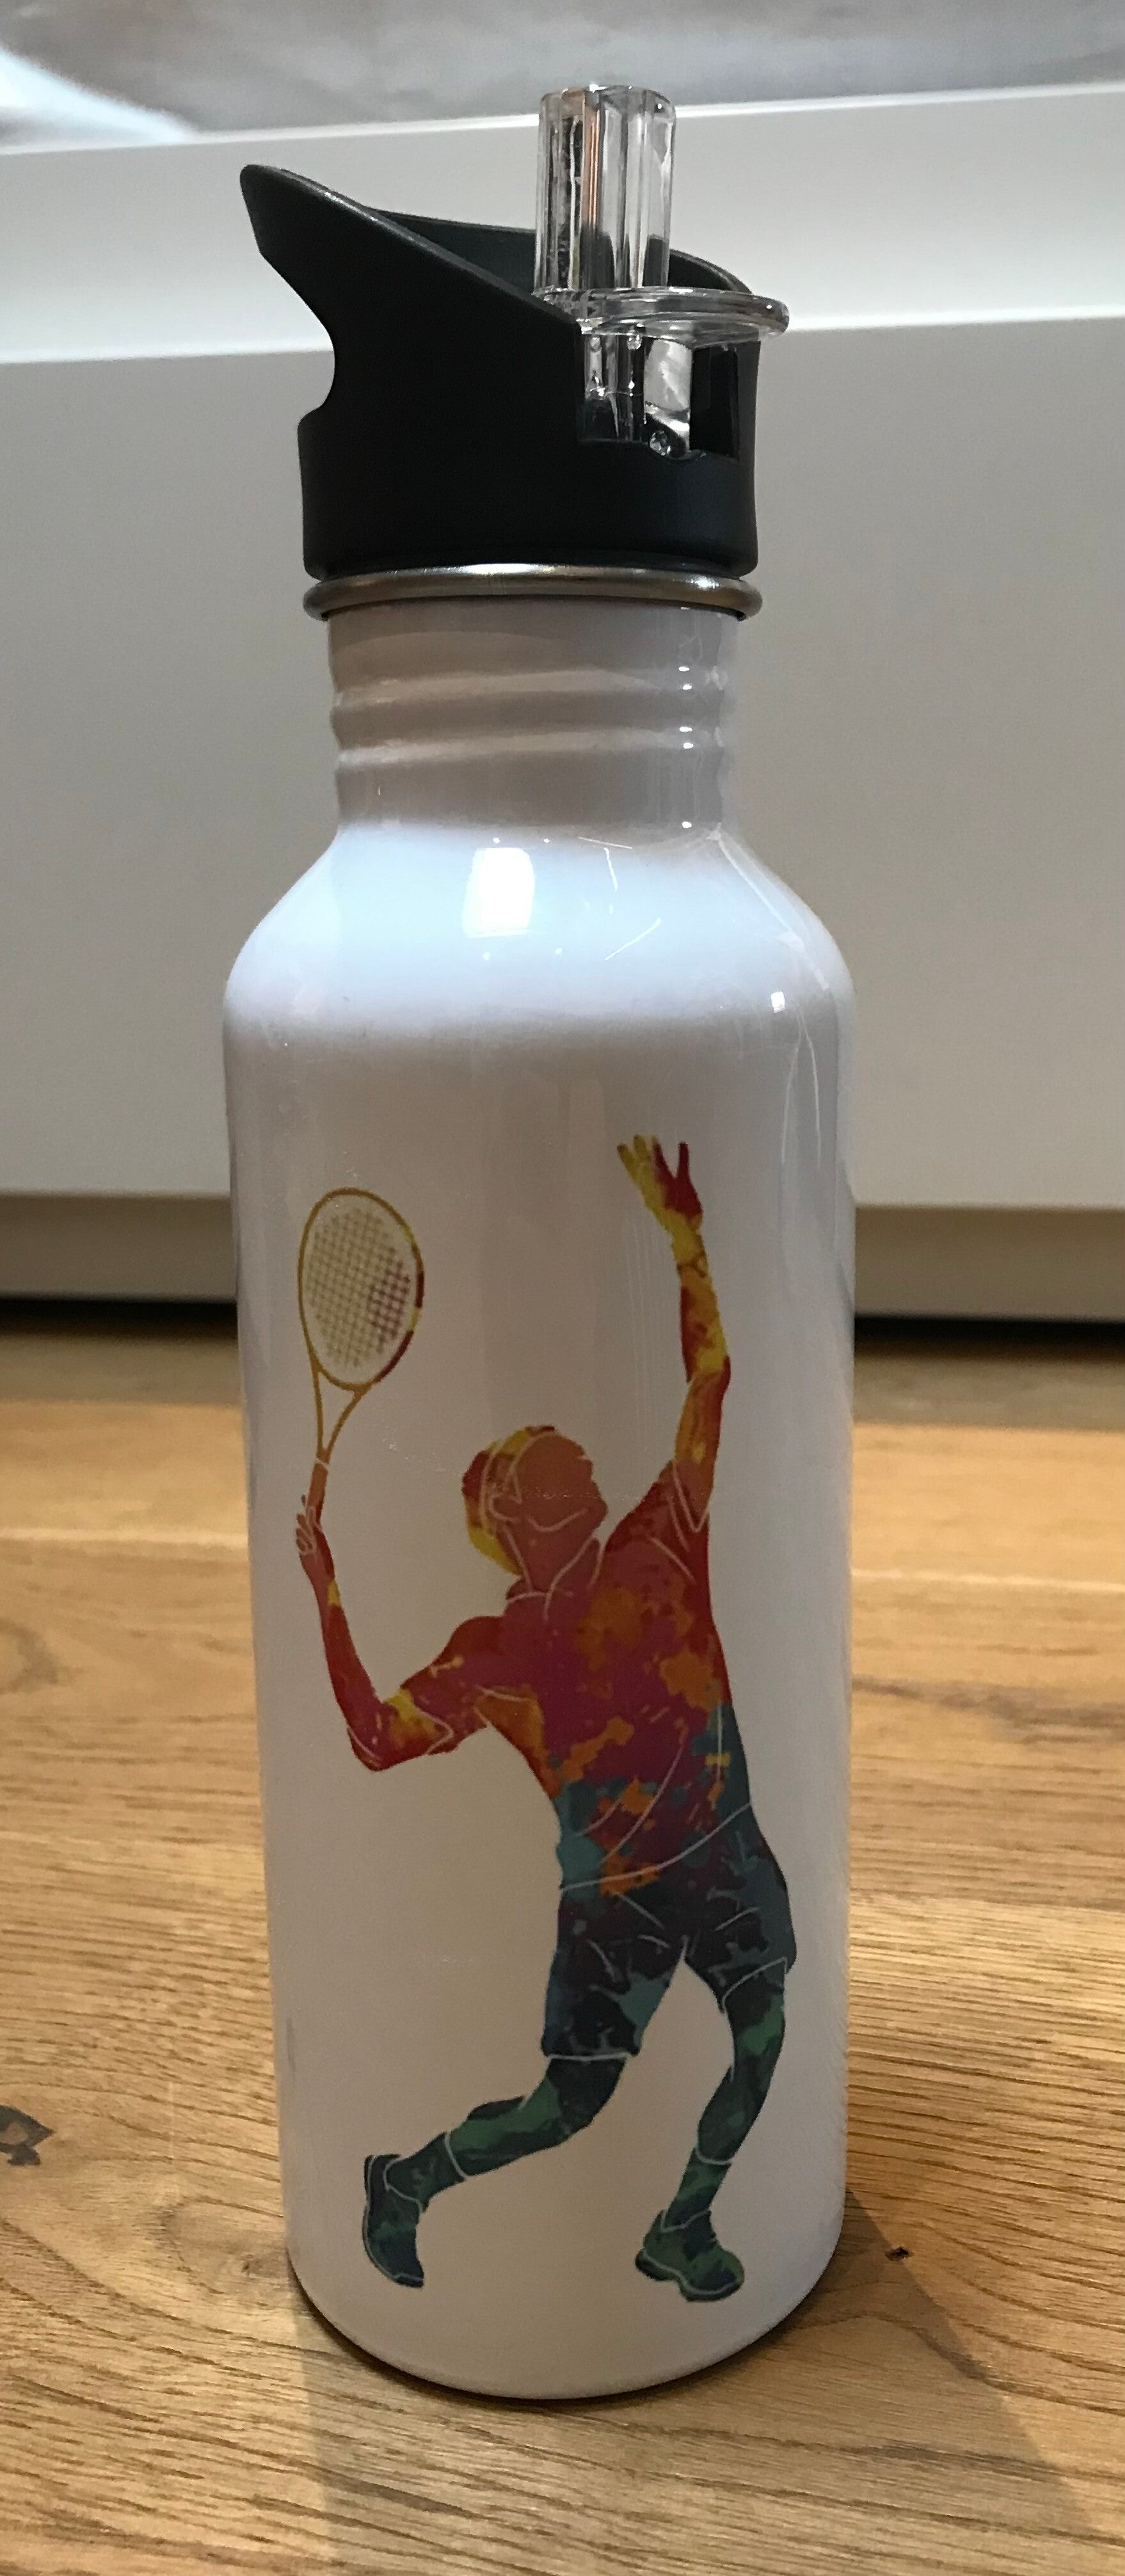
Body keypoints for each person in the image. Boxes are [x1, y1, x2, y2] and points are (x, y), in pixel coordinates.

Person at [297, 1136, 794, 2303]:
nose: (564, 1457)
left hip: (724, 1843)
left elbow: (711, 1377)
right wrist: (325, 1596)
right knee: (565, 2107)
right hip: (616, 1895)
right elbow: (372, 1739)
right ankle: (406, 2180)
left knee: (765, 2035)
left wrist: (684, 1239)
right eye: (536, 1467)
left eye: (560, 1455)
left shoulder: (661, 1533)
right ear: (514, 1519)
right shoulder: (493, 1654)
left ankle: (682, 2225)